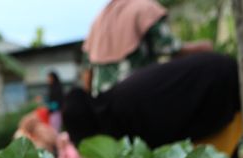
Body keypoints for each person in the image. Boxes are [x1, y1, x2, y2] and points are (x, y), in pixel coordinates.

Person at [63, 52, 242, 158]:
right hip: (216, 76)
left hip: (221, 86)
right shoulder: (113, 104)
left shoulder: (125, 113)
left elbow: (169, 153)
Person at [82, 0, 212, 96]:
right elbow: (170, 48)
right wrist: (203, 48)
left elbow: (87, 72)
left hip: (102, 101)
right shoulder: (145, 8)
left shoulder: (99, 18)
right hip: (136, 93)